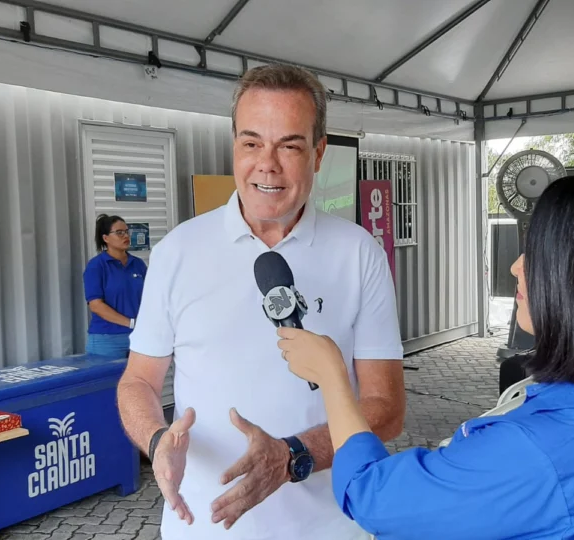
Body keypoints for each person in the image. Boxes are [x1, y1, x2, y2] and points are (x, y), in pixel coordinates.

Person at [278, 170, 574, 539]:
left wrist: (334, 378)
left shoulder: (535, 453)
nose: (516, 266)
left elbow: (370, 496)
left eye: (540, 253)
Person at [116, 64, 406, 540]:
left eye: (289, 146)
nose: (267, 164)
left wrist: (293, 455)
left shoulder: (359, 253)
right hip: (203, 530)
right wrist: (157, 439)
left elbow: (386, 407)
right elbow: (138, 381)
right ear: (234, 144)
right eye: (252, 143)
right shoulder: (177, 252)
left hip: (329, 529)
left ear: (318, 153)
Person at [83, 214, 147, 357]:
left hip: (138, 337)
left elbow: (150, 297)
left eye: (127, 231)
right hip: (107, 340)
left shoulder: (138, 264)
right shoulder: (96, 266)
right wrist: (130, 323)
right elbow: (96, 305)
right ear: (105, 238)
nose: (126, 236)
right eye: (119, 233)